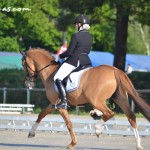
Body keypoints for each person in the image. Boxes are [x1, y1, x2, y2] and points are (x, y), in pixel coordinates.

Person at [54, 14, 93, 109]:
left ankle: (64, 101)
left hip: (74, 60)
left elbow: (69, 52)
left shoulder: (76, 36)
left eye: (76, 24)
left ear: (80, 24)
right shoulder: (90, 36)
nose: (75, 26)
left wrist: (60, 55)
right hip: (86, 61)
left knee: (57, 77)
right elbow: (87, 51)